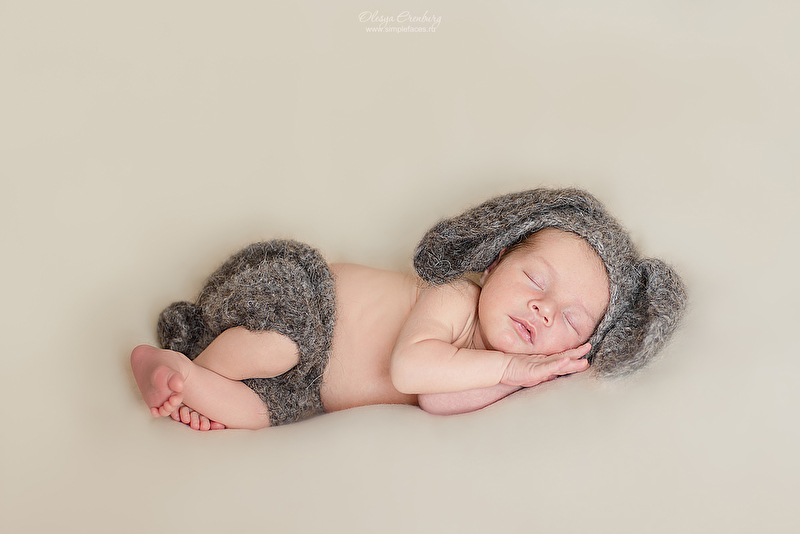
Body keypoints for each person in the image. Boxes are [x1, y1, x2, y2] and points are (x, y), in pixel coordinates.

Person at [131, 188, 687, 430]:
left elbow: (438, 400)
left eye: (570, 320)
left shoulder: (498, 370)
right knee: (276, 347)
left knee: (254, 416)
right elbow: (410, 369)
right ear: (493, 264)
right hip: (301, 302)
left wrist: (516, 378)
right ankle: (200, 358)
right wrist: (510, 367)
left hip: (307, 392)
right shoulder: (456, 299)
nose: (544, 309)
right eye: (535, 280)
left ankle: (180, 378)